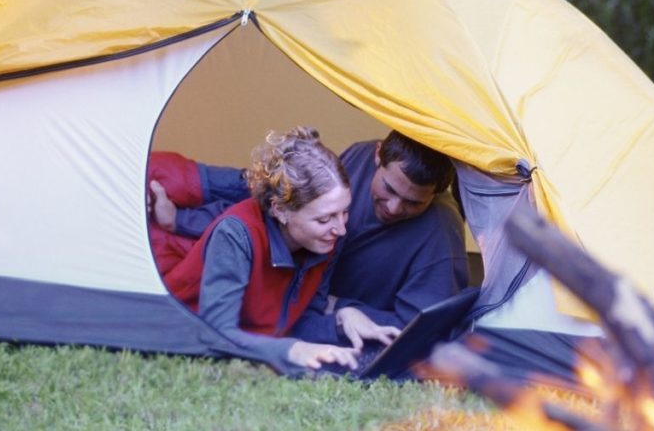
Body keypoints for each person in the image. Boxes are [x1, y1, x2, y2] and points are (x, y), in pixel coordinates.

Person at [150, 130, 469, 350]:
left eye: (414, 203)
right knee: (166, 174)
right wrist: (181, 220)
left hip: (306, 296)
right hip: (291, 280)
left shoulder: (440, 230)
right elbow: (276, 208)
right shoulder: (355, 161)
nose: (395, 208)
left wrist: (340, 311)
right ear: (377, 157)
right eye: (388, 189)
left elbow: (421, 328)